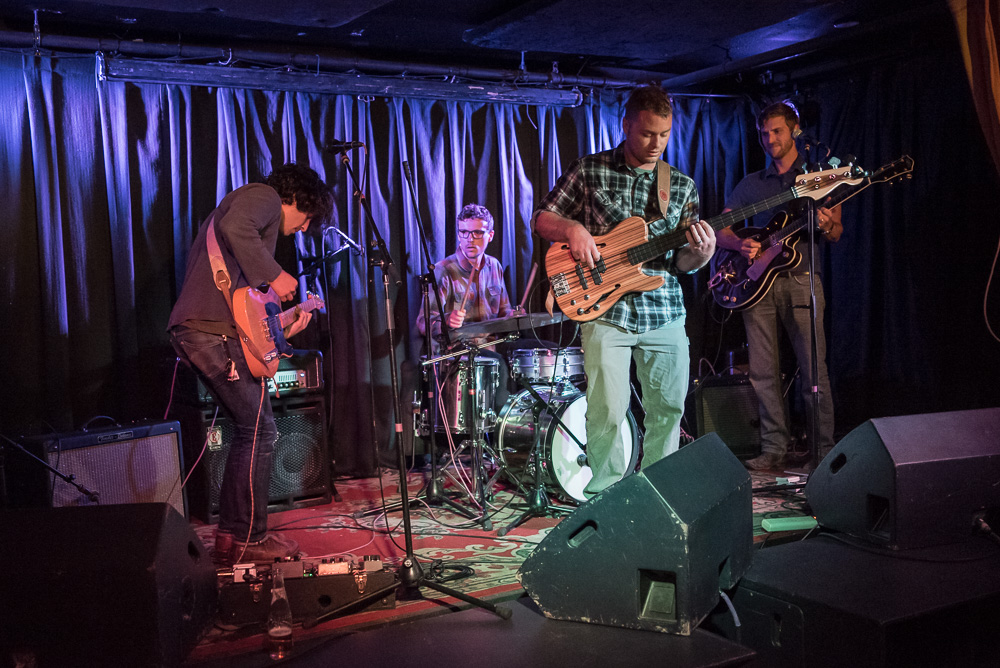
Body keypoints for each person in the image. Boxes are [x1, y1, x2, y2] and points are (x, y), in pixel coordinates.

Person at [532, 85, 716, 498]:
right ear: (627, 124)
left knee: (669, 410)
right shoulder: (589, 170)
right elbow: (542, 218)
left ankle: (659, 500)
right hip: (604, 310)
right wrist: (573, 229)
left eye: (664, 135)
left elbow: (680, 263)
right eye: (648, 133)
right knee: (608, 412)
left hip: (664, 311)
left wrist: (701, 255)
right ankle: (606, 502)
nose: (656, 144)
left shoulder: (681, 186)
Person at [168, 163, 333, 564]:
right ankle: (251, 540)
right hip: (208, 332)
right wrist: (274, 274)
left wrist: (285, 323)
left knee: (251, 430)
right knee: (260, 431)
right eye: (307, 219)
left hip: (210, 330)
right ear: (299, 200)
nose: (301, 229)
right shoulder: (263, 197)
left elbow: (246, 312)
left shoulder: (248, 211)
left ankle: (231, 538)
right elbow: (237, 227)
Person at [717, 102, 841, 471]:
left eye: (776, 131)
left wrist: (822, 224)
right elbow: (720, 229)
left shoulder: (818, 177)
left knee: (812, 370)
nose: (769, 139)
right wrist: (739, 244)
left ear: (795, 131)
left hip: (802, 280)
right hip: (758, 287)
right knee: (762, 372)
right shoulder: (752, 183)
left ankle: (823, 450)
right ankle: (773, 450)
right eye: (764, 133)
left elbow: (836, 232)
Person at [416, 204, 516, 419]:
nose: (470, 239)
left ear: (490, 235)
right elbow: (423, 323)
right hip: (457, 354)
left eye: (477, 232)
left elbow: (504, 312)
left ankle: (523, 433)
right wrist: (446, 322)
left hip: (491, 347)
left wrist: (513, 317)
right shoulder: (443, 270)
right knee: (498, 363)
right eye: (464, 232)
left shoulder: (494, 266)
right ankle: (501, 429)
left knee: (538, 354)